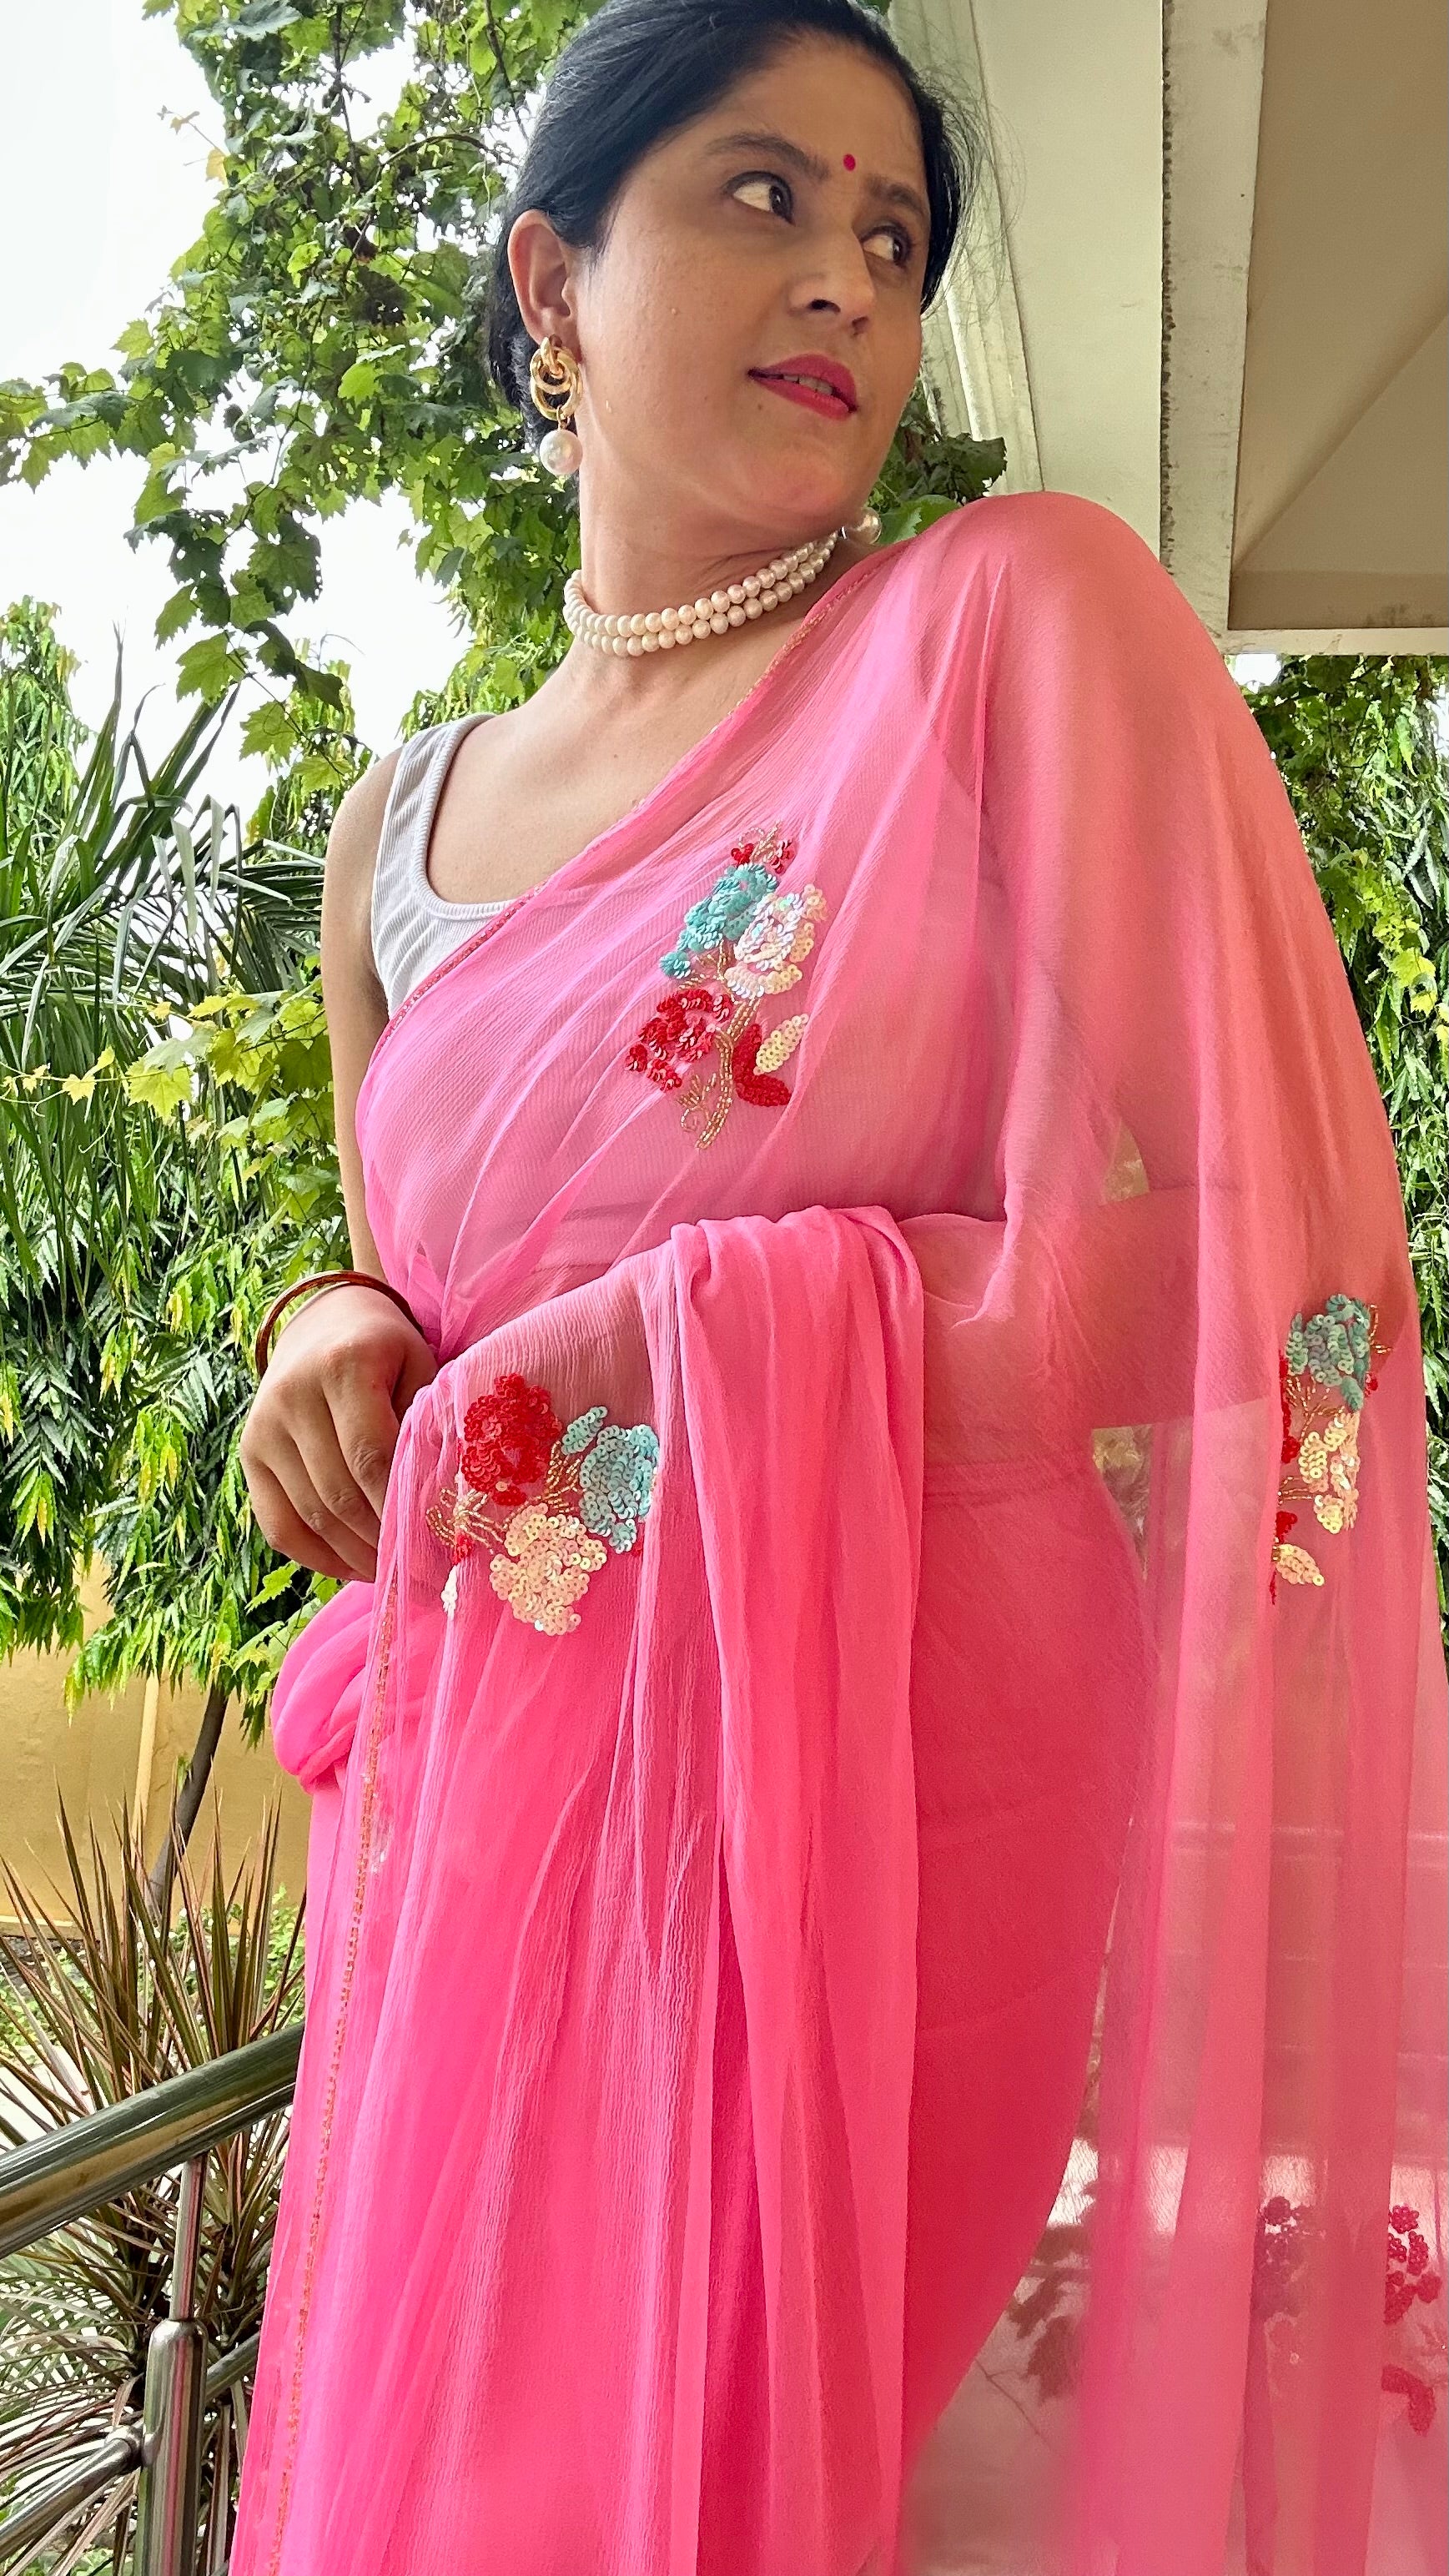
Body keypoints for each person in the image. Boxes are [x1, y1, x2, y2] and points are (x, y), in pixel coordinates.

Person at [231, 5, 1447, 2572]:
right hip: (482, 1814)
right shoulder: (390, 829)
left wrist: (764, 1345)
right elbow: (425, 1264)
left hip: (891, 1794)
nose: (846, 285)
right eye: (763, 197)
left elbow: (1307, 1261)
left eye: (890, 236)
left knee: (743, 2477)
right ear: (550, 291)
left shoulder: (1001, 631)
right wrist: (317, 1328)